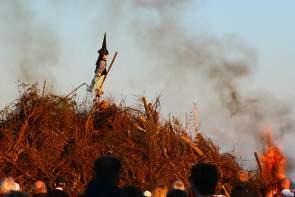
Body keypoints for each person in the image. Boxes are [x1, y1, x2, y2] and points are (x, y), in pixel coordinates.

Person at [89, 33, 109, 99]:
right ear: (102, 54)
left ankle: (98, 92)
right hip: (99, 74)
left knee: (98, 84)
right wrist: (98, 73)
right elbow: (99, 70)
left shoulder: (103, 61)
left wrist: (100, 73)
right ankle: (97, 91)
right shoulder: (102, 61)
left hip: (101, 74)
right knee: (96, 83)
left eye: (106, 55)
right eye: (105, 55)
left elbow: (101, 69)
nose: (106, 56)